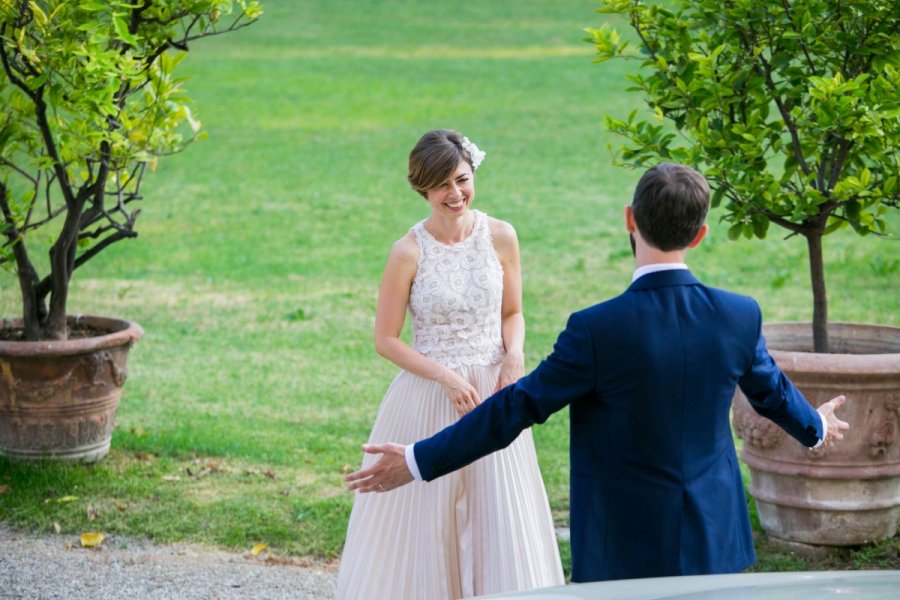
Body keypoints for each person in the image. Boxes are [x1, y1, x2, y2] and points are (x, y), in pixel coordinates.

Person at [344, 162, 850, 584]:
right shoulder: (739, 315)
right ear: (700, 234)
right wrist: (817, 427)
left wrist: (416, 460)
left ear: (629, 219)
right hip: (714, 537)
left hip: (619, 547)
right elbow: (771, 392)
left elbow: (514, 408)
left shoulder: (596, 329)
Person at [335, 130, 564, 599]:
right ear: (422, 188)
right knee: (428, 514)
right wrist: (446, 376)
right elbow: (386, 339)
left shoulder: (501, 235)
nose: (455, 194)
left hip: (494, 393)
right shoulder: (407, 252)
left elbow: (512, 312)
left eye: (461, 180)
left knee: (498, 510)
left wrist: (514, 355)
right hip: (430, 393)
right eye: (441, 186)